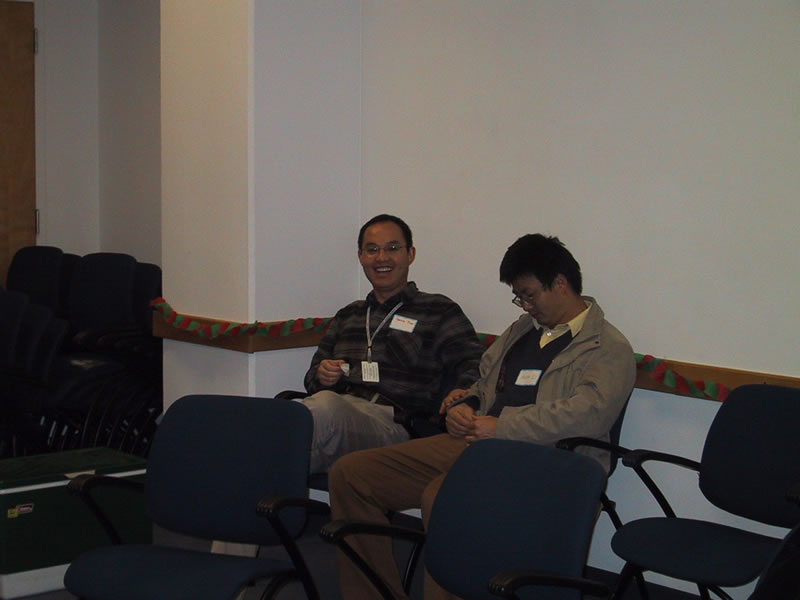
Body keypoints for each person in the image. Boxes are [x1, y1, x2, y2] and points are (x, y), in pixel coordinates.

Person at [328, 233, 637, 600]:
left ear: (560, 284)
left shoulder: (608, 347)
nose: (525, 306)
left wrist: (502, 427)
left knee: (443, 498)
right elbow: (484, 382)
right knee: (351, 474)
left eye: (529, 295)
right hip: (478, 445)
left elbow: (587, 416)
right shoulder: (522, 330)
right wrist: (465, 403)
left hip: (549, 463)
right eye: (518, 297)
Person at [301, 214, 484, 475]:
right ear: (361, 257)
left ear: (410, 254)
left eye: (393, 248)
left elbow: (475, 364)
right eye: (372, 250)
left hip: (396, 424)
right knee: (294, 419)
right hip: (338, 411)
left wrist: (461, 395)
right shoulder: (348, 315)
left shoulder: (438, 310)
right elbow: (311, 379)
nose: (381, 258)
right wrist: (322, 375)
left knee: (318, 414)